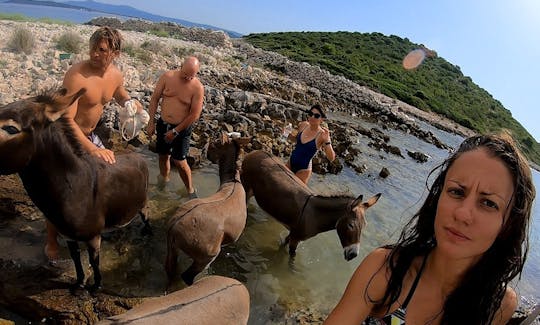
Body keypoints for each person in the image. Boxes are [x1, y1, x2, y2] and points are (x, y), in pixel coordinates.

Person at [324, 132, 536, 325]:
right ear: (438, 197)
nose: (462, 213)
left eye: (489, 203)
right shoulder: (387, 270)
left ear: (508, 224)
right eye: (456, 192)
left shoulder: (499, 305)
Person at [45, 26, 145, 262]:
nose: (94, 54)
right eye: (92, 48)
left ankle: (88, 222)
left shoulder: (116, 75)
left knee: (98, 179)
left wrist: (130, 102)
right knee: (56, 192)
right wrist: (93, 149)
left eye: (101, 50)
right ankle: (50, 240)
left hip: (90, 135)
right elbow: (66, 121)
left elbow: (118, 92)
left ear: (115, 54)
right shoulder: (76, 76)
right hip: (66, 135)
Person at [146, 56, 204, 198]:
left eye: (191, 76)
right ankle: (163, 182)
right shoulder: (167, 77)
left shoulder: (197, 88)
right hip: (163, 124)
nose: (187, 78)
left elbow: (194, 114)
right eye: (185, 75)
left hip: (182, 128)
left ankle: (190, 190)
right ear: (181, 67)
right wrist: (151, 122)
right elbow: (154, 99)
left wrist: (176, 131)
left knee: (180, 161)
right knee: (163, 155)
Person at [285, 104, 336, 184]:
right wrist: (286, 134)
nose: (312, 117)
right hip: (290, 162)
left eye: (316, 116)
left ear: (322, 119)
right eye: (310, 114)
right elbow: (296, 141)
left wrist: (327, 141)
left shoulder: (322, 135)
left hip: (303, 170)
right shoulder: (303, 125)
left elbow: (331, 158)